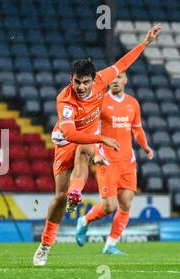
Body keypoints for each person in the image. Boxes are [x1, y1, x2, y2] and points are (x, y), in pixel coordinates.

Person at [33, 23, 161, 266]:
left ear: (94, 80)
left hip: (86, 142)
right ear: (71, 79)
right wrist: (101, 139)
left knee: (84, 154)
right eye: (77, 82)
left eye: (85, 82)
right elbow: (70, 132)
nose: (81, 87)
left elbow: (122, 64)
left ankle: (76, 191)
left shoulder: (102, 80)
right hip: (66, 140)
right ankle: (45, 244)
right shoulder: (65, 99)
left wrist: (145, 43)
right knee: (59, 197)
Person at [75, 72, 153, 254]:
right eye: (112, 78)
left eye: (119, 78)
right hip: (107, 161)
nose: (115, 81)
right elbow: (92, 132)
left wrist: (146, 146)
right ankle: (84, 221)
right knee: (110, 206)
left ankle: (111, 244)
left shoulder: (133, 103)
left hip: (128, 161)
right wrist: (96, 153)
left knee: (126, 202)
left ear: (125, 80)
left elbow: (137, 129)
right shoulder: (100, 102)